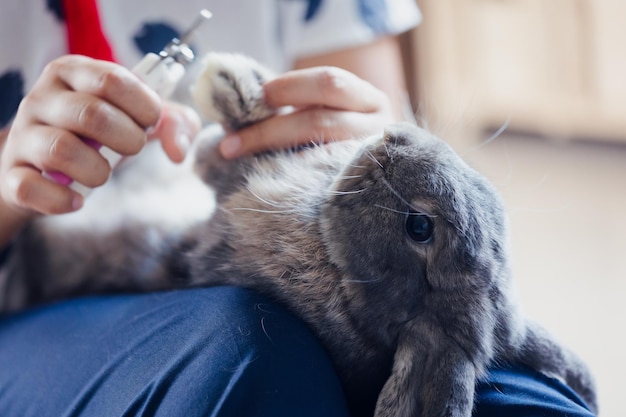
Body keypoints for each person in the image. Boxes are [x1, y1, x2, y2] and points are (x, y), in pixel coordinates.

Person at [0, 1, 596, 416]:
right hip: (37, 297)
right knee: (251, 350)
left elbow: (389, 136)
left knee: (522, 399)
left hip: (323, 289)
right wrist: (11, 188)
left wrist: (344, 140)